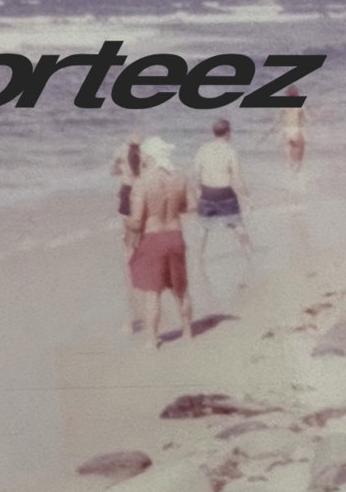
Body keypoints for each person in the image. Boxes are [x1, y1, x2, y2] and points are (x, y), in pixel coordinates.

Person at [127, 137, 193, 349]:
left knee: (152, 293)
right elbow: (191, 206)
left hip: (153, 238)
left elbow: (137, 222)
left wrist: (126, 224)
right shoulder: (180, 178)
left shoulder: (142, 182)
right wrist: (172, 208)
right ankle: (187, 332)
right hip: (175, 235)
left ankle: (151, 340)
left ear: (148, 157)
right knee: (180, 289)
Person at [193, 119, 254, 267]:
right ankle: (249, 255)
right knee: (237, 225)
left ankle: (198, 258)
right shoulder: (230, 151)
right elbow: (237, 178)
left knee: (203, 227)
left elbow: (196, 175)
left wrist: (198, 193)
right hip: (225, 193)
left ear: (213, 132)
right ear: (228, 133)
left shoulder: (203, 149)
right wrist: (247, 198)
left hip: (207, 192)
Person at [110, 133, 144, 332]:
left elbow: (113, 170)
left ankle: (129, 255)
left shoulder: (120, 152)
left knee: (126, 227)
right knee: (140, 224)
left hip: (126, 188)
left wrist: (119, 165)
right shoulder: (143, 153)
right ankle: (138, 251)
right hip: (140, 188)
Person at [262, 87, 307, 172]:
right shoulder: (300, 105)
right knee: (298, 160)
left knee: (287, 160)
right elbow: (305, 120)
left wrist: (270, 130)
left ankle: (288, 176)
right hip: (296, 132)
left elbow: (275, 121)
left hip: (286, 132)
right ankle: (297, 174)